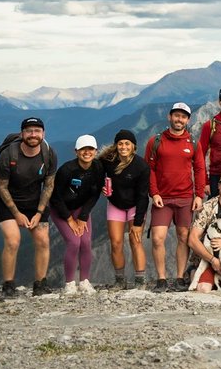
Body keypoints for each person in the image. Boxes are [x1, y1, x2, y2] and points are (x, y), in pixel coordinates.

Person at [0, 116, 58, 297]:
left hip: (34, 201)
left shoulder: (49, 153)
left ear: (43, 133)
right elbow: (1, 186)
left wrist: (39, 212)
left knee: (43, 240)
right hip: (6, 201)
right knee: (13, 240)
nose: (33, 134)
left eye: (37, 131)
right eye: (29, 131)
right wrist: (17, 213)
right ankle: (8, 285)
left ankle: (40, 285)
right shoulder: (8, 155)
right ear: (22, 134)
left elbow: (49, 185)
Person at [145, 103, 207, 291]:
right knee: (157, 238)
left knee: (183, 237)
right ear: (169, 117)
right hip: (162, 199)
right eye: (176, 116)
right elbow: (150, 169)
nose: (179, 119)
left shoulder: (193, 143)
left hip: (185, 198)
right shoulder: (155, 141)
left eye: (183, 117)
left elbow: (200, 169)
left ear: (188, 120)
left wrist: (199, 195)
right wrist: (154, 192)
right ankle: (161, 278)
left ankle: (179, 277)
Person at [52, 135, 105, 296]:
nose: (87, 152)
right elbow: (56, 197)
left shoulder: (98, 168)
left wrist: (82, 217)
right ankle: (69, 284)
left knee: (86, 242)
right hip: (61, 210)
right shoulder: (67, 170)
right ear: (76, 152)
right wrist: (69, 219)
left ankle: (84, 282)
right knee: (74, 242)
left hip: (81, 209)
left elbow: (95, 194)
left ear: (96, 151)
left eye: (90, 149)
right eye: (83, 149)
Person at [100, 130, 150, 290]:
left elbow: (143, 196)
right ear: (116, 146)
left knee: (135, 240)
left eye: (127, 143)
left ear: (133, 146)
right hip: (115, 204)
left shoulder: (141, 166)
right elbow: (95, 175)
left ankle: (140, 281)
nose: (123, 147)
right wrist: (101, 187)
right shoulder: (107, 162)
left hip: (136, 206)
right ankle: (120, 280)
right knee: (115, 243)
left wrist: (137, 222)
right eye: (120, 143)